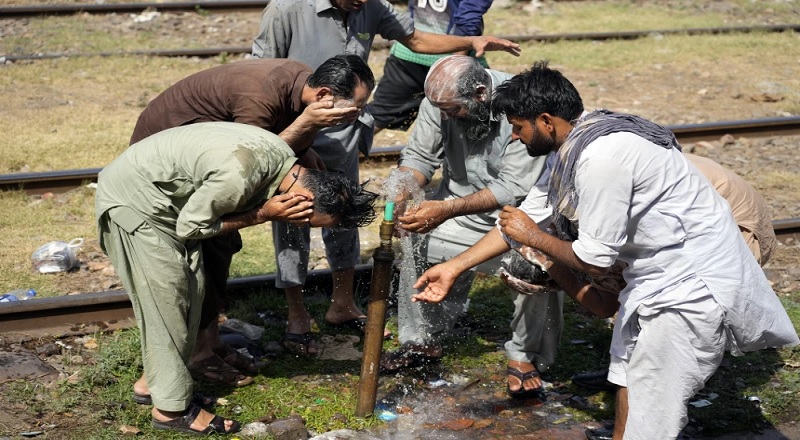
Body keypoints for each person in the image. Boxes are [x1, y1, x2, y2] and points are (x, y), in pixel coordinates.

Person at [412, 61, 799, 439]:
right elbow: (525, 219)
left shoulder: (601, 159)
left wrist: (536, 242)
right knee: (628, 374)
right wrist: (454, 268)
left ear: (546, 121)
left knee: (652, 408)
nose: (514, 137)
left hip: (691, 287)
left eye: (517, 128)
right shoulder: (572, 148)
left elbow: (591, 259)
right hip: (655, 277)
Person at [251, 0, 521, 355]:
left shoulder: (371, 6)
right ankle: (296, 312)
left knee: (346, 214)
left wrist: (470, 42)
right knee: (293, 216)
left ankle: (343, 303)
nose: (362, 2)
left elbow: (416, 39)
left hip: (342, 134)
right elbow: (261, 73)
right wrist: (286, 133)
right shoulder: (286, 9)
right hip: (295, 128)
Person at [96, 121, 377, 436]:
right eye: (310, 221)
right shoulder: (240, 176)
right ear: (305, 199)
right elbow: (191, 227)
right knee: (168, 302)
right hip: (135, 205)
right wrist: (263, 214)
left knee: (193, 293)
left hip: (161, 203)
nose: (303, 226)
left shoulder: (282, 159)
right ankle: (170, 411)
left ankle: (155, 385)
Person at [127, 55, 375, 389]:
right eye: (354, 107)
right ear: (324, 95)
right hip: (164, 166)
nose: (356, 115)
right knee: (206, 249)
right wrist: (306, 125)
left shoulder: (302, 84)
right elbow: (251, 160)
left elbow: (281, 154)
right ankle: (195, 357)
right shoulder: (260, 98)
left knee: (222, 246)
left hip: (212, 163)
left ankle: (211, 343)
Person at [378, 56, 556, 393]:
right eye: (440, 109)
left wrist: (445, 210)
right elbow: (419, 157)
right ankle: (422, 342)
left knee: (538, 265)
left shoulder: (521, 103)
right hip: (458, 209)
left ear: (480, 94)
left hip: (518, 219)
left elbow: (511, 189)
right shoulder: (440, 100)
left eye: (452, 110)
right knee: (413, 237)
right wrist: (402, 190)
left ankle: (524, 354)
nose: (444, 117)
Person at [368, 0, 495, 135]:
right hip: (451, 57)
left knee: (381, 114)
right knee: (484, 114)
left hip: (410, 51)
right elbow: (469, 14)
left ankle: (347, 148)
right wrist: (456, 62)